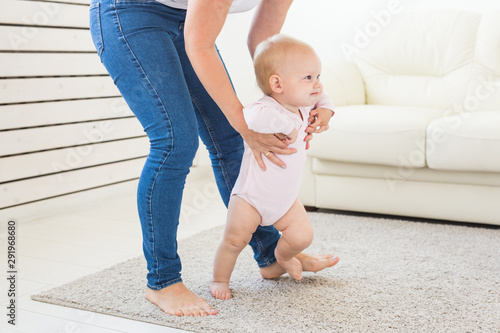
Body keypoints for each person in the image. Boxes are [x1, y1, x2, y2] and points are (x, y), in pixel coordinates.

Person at [89, 0, 336, 317]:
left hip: (186, 18)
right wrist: (246, 123)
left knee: (232, 140)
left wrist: (295, 103)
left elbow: (265, 43)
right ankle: (162, 281)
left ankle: (270, 255)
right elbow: (199, 44)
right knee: (175, 142)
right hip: (131, 11)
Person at [210, 35, 338, 300]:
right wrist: (286, 125)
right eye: (308, 78)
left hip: (285, 199)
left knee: (303, 236)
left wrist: (326, 111)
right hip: (251, 198)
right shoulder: (267, 108)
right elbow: (252, 116)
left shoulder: (303, 105)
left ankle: (281, 257)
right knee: (234, 242)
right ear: (277, 84)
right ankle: (219, 279)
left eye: (318, 75)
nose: (318, 84)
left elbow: (324, 98)